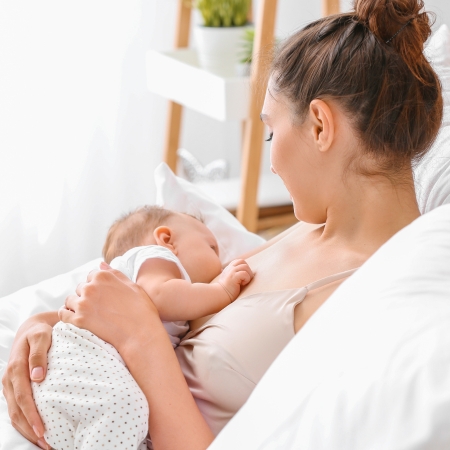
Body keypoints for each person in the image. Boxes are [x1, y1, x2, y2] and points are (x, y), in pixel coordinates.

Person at [2, 0, 443, 448]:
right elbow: (168, 304)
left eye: (271, 131)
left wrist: (142, 340)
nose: (271, 163)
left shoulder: (370, 296)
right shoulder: (307, 234)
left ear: (319, 126)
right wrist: (46, 323)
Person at [31, 205, 253, 450]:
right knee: (125, 407)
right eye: (212, 248)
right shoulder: (156, 257)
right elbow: (161, 296)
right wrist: (221, 289)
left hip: (69, 395)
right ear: (167, 239)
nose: (221, 262)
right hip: (85, 359)